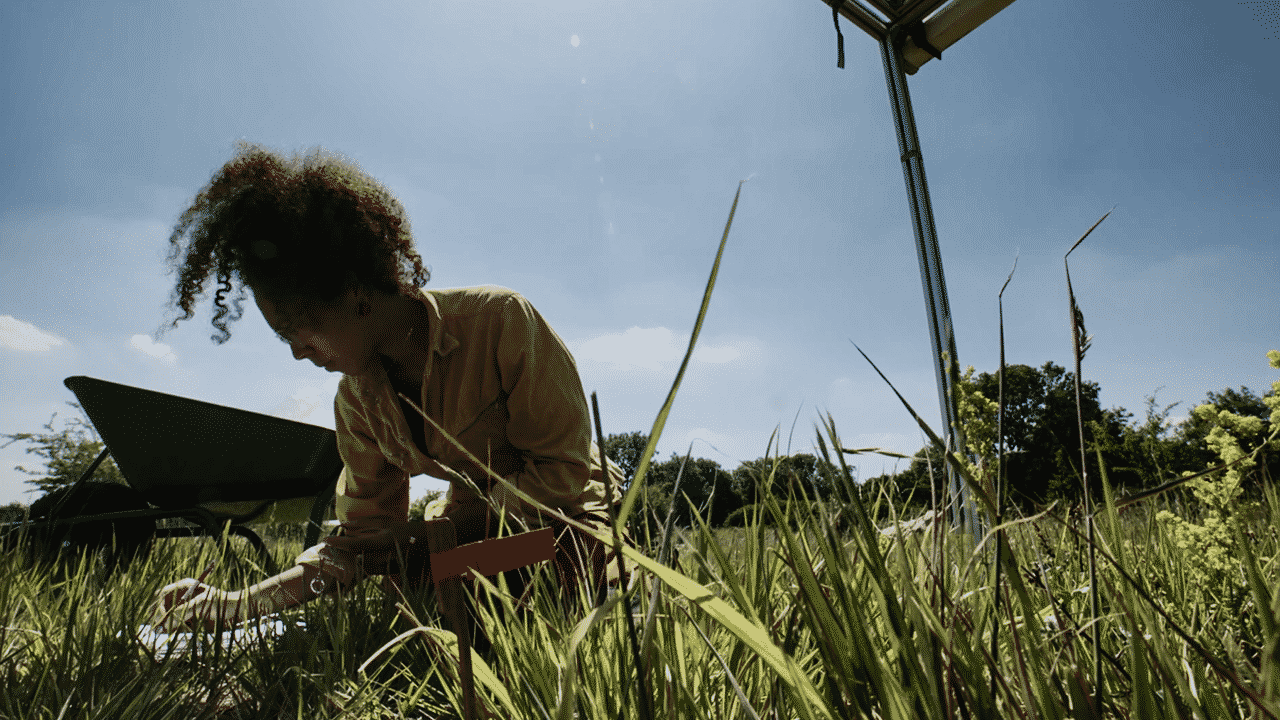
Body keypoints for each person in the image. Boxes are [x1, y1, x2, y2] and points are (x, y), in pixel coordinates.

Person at [153, 143, 630, 631]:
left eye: (302, 328)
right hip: (460, 542)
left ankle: (620, 588)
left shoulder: (500, 322)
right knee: (415, 584)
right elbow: (359, 542)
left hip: (567, 524)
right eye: (284, 337)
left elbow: (561, 476)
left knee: (535, 564)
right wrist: (237, 604)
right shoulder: (357, 402)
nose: (297, 352)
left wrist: (425, 540)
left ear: (356, 296)